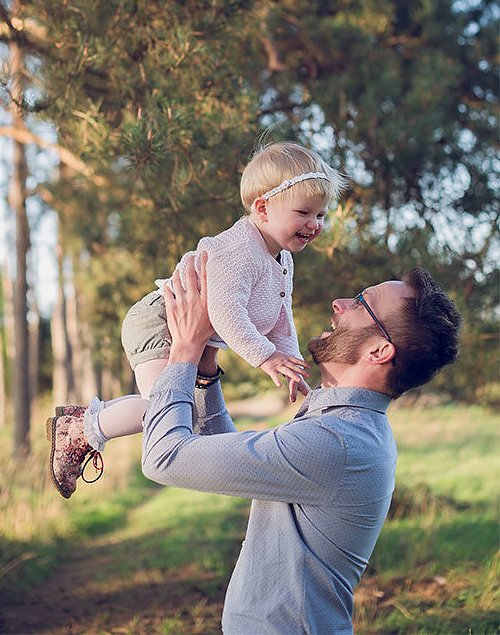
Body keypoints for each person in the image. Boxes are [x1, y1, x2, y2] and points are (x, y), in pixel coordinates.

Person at [144, 251, 461, 634]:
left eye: (362, 303)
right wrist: (206, 363)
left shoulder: (336, 442)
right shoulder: (343, 427)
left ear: (379, 351)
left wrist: (184, 349)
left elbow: (163, 458)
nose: (340, 304)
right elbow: (224, 453)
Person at [48, 142, 348, 498]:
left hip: (181, 329)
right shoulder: (240, 250)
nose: (314, 225)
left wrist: (290, 363)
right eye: (304, 213)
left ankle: (81, 419)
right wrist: (266, 356)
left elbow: (283, 315)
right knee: (163, 411)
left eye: (321, 215)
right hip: (161, 321)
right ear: (263, 208)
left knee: (171, 411)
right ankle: (82, 428)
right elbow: (224, 311)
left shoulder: (281, 258)